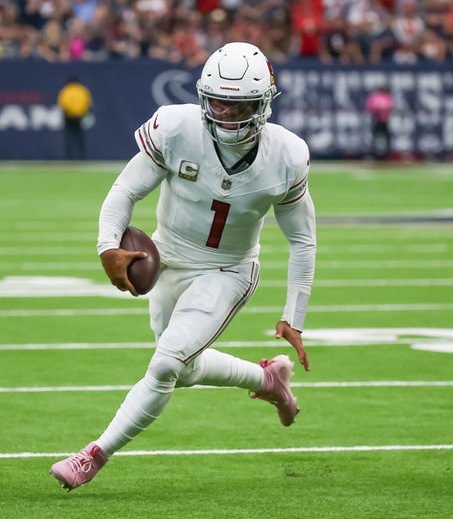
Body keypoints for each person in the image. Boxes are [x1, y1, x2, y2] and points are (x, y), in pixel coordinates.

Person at [49, 42, 316, 491]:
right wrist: (107, 248)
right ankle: (269, 379)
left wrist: (295, 315)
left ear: (263, 104)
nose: (227, 114)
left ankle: (94, 454)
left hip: (227, 269)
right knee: (184, 368)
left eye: (239, 105)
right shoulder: (176, 128)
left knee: (166, 364)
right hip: (167, 258)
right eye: (218, 102)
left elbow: (302, 239)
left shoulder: (285, 155)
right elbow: (124, 191)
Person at [57, 76, 92, 160]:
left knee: (69, 137)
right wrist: (82, 113)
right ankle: (82, 156)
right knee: (79, 138)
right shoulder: (82, 90)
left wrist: (67, 112)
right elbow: (87, 103)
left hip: (69, 116)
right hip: (80, 116)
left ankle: (69, 157)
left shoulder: (66, 90)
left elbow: (62, 104)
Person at [365, 84, 394, 160]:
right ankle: (373, 155)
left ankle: (387, 155)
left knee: (387, 137)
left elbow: (390, 107)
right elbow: (371, 107)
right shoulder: (374, 96)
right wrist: (382, 108)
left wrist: (384, 108)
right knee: (374, 137)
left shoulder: (387, 97)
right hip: (376, 120)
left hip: (385, 120)